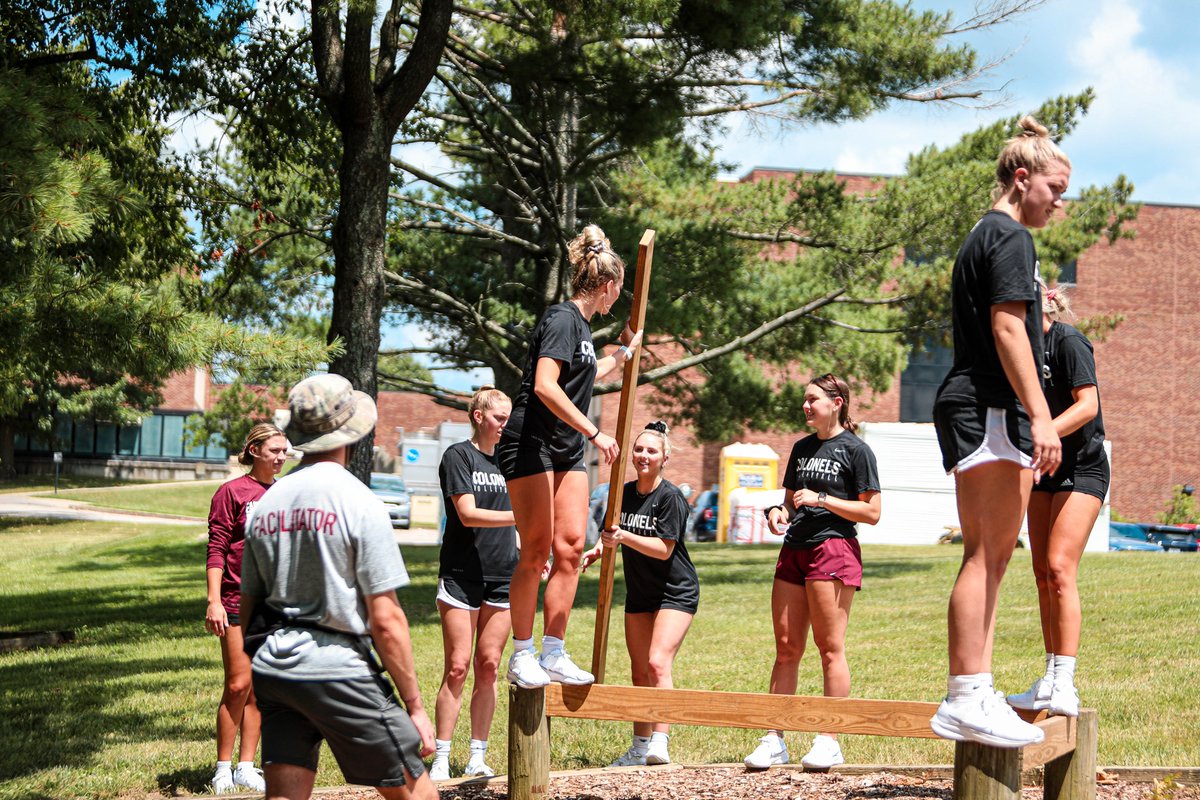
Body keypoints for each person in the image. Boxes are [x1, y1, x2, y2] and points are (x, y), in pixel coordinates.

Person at [929, 116, 1066, 748]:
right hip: (988, 406)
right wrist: (1041, 414)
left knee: (989, 555)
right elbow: (1007, 330)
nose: (1058, 204)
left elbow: (1014, 325)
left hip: (979, 403)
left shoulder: (989, 236)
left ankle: (975, 690)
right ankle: (965, 694)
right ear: (1022, 179)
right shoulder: (1010, 238)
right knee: (986, 554)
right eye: (1054, 190)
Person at [240, 374, 436, 800]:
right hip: (338, 671)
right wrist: (416, 708)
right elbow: (386, 619)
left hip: (274, 671)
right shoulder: (359, 501)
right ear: (354, 430)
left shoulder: (265, 505)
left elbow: (247, 606)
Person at [498, 224, 644, 689]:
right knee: (537, 550)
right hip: (531, 443)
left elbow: (585, 372)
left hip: (564, 446)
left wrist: (622, 354)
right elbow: (544, 385)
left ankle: (554, 651)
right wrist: (595, 432)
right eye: (618, 290)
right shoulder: (562, 319)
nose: (617, 298)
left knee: (572, 549)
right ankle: (522, 654)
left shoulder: (581, 329)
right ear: (608, 284)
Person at [744, 374, 881, 770]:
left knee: (829, 648)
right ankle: (774, 737)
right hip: (794, 550)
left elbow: (872, 512)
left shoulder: (857, 450)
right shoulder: (802, 448)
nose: (806, 406)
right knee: (786, 649)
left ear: (836, 402)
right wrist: (777, 512)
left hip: (833, 549)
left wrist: (824, 499)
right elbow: (788, 501)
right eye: (804, 400)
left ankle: (829, 738)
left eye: (812, 399)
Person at [1007, 287, 1107, 718]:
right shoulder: (1020, 353)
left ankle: (1065, 682)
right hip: (1044, 469)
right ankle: (1049, 676)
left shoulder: (1067, 341)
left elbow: (1088, 406)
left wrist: (1042, 433)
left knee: (1061, 568)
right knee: (1042, 572)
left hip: (1082, 468)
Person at [582, 421, 699, 767]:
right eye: (639, 449)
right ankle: (639, 746)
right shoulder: (622, 494)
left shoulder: (671, 498)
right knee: (637, 671)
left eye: (651, 450)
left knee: (657, 662)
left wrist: (622, 538)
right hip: (640, 592)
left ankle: (660, 742)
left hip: (675, 591)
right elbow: (611, 532)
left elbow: (664, 548)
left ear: (665, 457)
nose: (643, 455)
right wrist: (597, 549)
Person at [429, 387, 517, 780]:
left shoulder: (510, 461)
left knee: (488, 666)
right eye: (500, 418)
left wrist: (535, 552)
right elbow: (466, 513)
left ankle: (477, 755)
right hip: (461, 576)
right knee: (458, 667)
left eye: (509, 418)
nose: (506, 425)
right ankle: (442, 757)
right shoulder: (458, 456)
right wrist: (524, 518)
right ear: (479, 416)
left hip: (503, 575)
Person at [205, 423, 288, 794]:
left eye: (284, 451)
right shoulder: (231, 492)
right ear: (254, 450)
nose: (281, 458)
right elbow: (217, 548)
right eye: (274, 451)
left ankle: (245, 766)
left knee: (262, 689)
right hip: (237, 600)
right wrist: (214, 601)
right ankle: (222, 768)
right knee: (238, 684)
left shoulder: (285, 493)